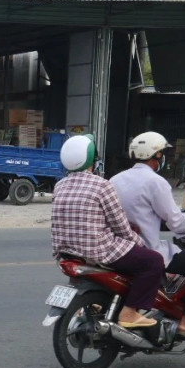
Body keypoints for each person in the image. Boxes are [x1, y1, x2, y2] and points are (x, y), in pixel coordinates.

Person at [51, 134, 164, 329]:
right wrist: (140, 242)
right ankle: (129, 313)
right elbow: (120, 225)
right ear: (92, 161)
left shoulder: (60, 185)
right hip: (98, 251)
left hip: (66, 253)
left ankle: (100, 303)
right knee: (153, 261)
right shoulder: (102, 185)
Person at [110, 131, 185, 339]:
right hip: (147, 249)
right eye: (162, 153)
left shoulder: (115, 179)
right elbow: (176, 222)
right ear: (157, 156)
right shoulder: (155, 182)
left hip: (120, 247)